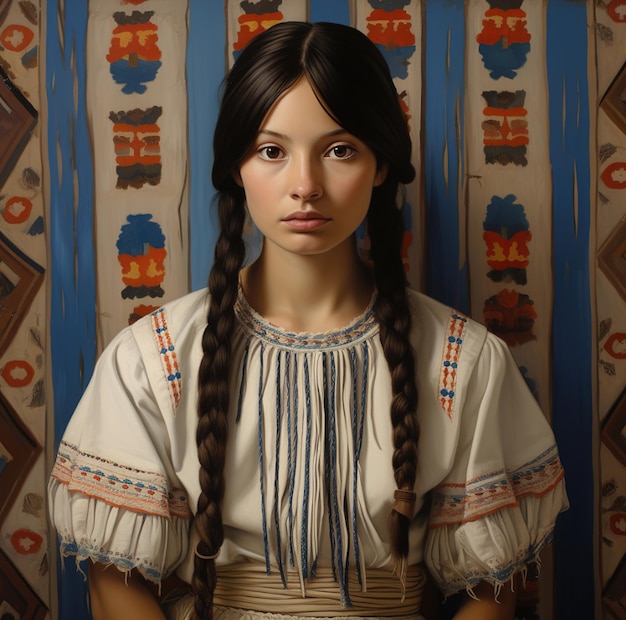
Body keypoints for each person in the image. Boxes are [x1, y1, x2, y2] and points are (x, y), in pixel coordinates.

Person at [48, 21, 568, 620]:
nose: (305, 186)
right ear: (237, 169)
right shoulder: (152, 358)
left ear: (379, 166)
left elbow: (490, 592)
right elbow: (116, 581)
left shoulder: (463, 360)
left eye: (340, 149)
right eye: (272, 151)